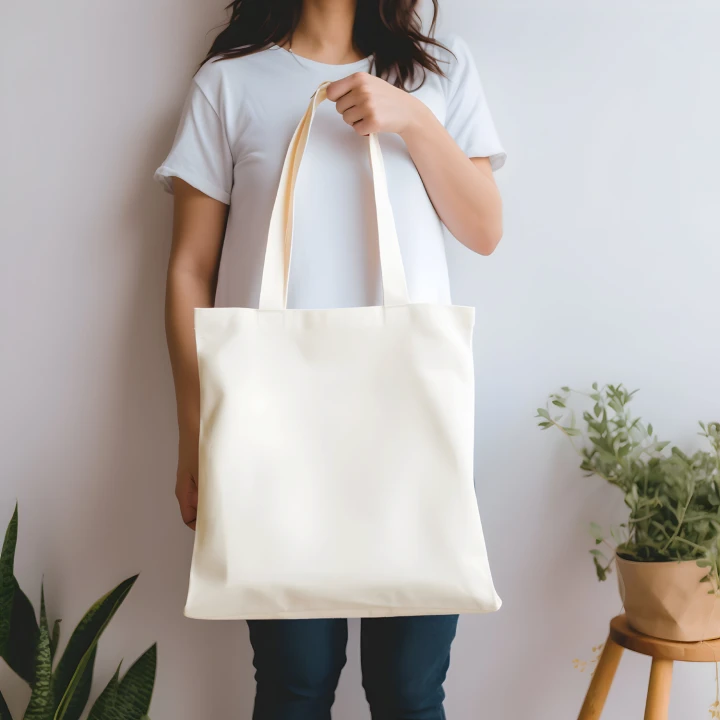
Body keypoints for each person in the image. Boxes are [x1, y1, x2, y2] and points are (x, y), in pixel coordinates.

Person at [154, 0, 505, 717]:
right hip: (270, 429)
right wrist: (195, 432)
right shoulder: (229, 84)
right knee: (294, 683)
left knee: (409, 688)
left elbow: (483, 227)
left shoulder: (440, 70)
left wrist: (411, 117)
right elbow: (190, 269)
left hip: (412, 425)